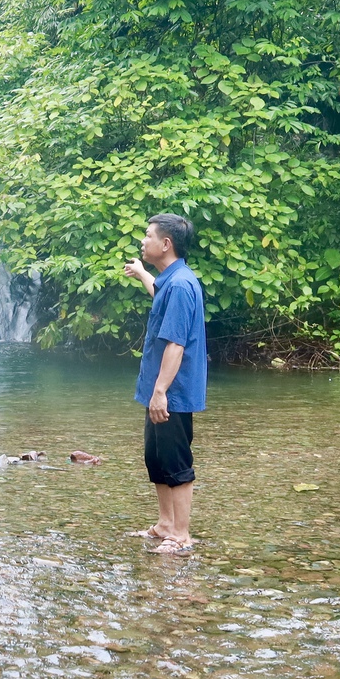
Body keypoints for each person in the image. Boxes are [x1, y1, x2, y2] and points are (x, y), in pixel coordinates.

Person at [122, 213, 206, 554]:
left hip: (172, 392)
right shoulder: (170, 281)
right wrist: (143, 274)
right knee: (155, 458)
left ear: (165, 244)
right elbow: (159, 295)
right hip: (158, 389)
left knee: (175, 461)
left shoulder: (183, 285)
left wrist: (160, 392)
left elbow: (176, 344)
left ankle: (181, 535)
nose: (143, 241)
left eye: (148, 236)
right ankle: (164, 525)